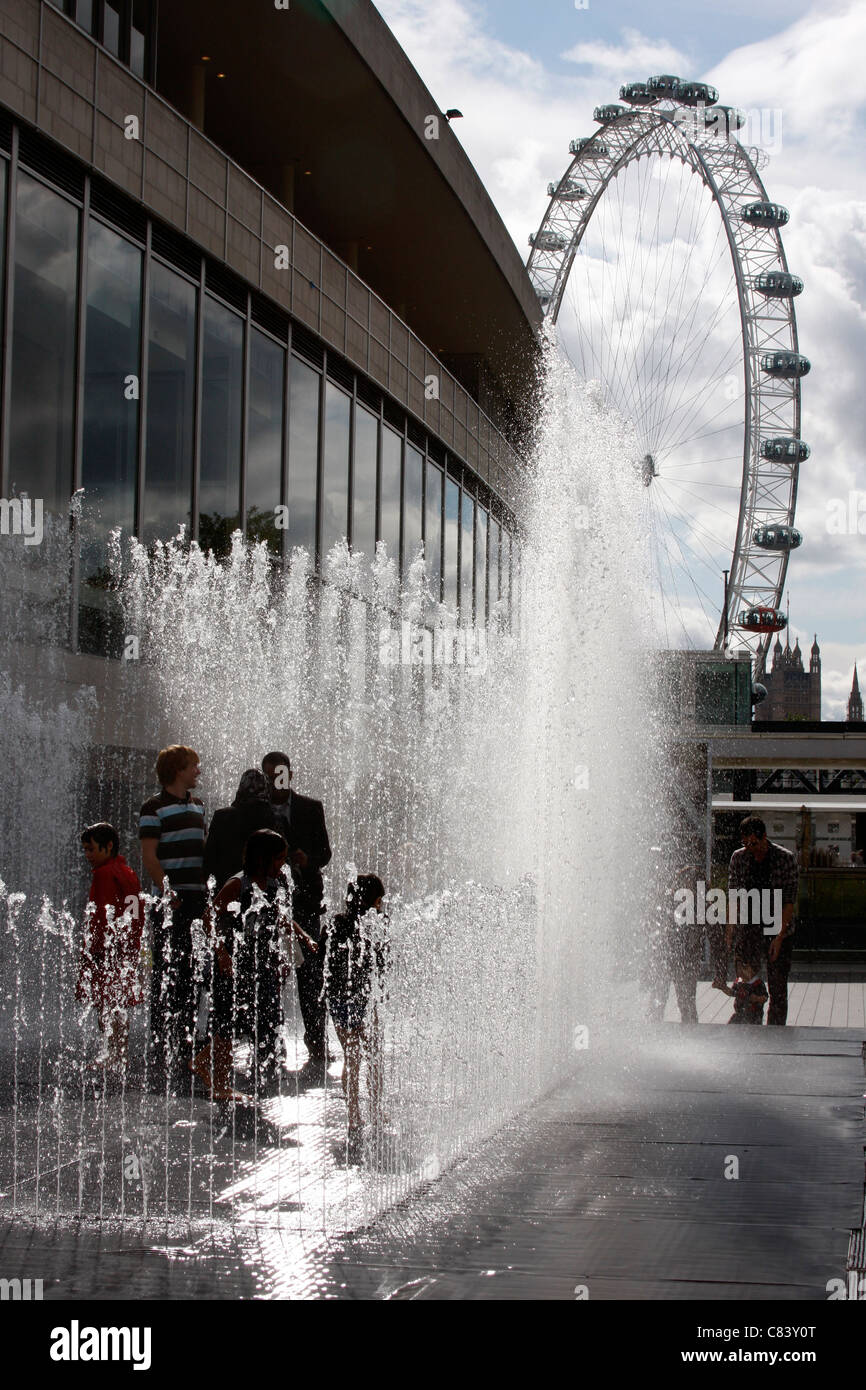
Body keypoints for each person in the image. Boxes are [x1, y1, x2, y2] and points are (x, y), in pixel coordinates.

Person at [192, 829, 316, 1100]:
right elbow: (207, 918)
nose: (283, 864)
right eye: (278, 858)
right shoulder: (239, 885)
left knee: (243, 1020)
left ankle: (205, 1061)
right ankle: (220, 1084)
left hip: (256, 965)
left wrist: (304, 937)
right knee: (226, 1020)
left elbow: (282, 917)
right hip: (230, 964)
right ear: (262, 858)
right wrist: (222, 954)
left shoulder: (273, 884)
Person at [139, 744, 207, 1092]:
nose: (199, 770)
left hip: (197, 899)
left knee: (193, 971)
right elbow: (149, 856)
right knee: (167, 970)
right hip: (171, 901)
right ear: (177, 769)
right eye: (194, 765)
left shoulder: (197, 805)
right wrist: (166, 891)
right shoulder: (153, 808)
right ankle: (160, 1038)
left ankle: (184, 1037)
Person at [261, 752, 332, 1081]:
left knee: (311, 973)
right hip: (269, 901)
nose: (276, 780)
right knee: (270, 973)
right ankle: (269, 1044)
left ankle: (316, 1040)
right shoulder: (256, 810)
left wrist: (307, 860)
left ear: (289, 774)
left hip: (305, 899)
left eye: (281, 774)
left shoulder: (309, 807)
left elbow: (325, 853)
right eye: (270, 775)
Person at [323, 874, 388, 1162]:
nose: (383, 906)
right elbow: (380, 964)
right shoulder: (374, 925)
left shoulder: (336, 923)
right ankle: (375, 1110)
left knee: (351, 1057)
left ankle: (354, 1116)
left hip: (338, 1000)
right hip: (362, 997)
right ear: (373, 901)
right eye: (380, 900)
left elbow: (325, 962)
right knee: (372, 1054)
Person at [76, 823, 144, 1071]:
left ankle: (112, 1054)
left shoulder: (104, 874)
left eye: (92, 849)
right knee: (117, 1004)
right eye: (85, 850)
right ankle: (119, 1053)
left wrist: (94, 950)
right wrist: (131, 943)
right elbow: (135, 912)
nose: (88, 855)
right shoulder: (127, 872)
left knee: (106, 1004)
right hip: (123, 948)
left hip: (105, 950)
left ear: (108, 846)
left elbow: (100, 918)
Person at [726, 815, 798, 1025]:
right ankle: (751, 1025)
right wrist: (730, 930)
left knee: (777, 988)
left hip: (777, 926)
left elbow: (789, 902)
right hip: (750, 928)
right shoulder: (738, 858)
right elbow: (734, 897)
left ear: (764, 837)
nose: (750, 848)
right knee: (747, 984)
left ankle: (776, 1032)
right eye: (745, 843)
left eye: (754, 843)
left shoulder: (785, 858)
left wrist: (779, 937)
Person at [203, 770, 276, 892]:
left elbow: (209, 859)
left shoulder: (222, 816)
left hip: (227, 887)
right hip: (262, 891)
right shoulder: (273, 818)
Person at [714, 952, 769, 1025]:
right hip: (739, 1014)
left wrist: (757, 998)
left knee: (753, 1031)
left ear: (753, 969)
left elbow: (764, 997)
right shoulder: (739, 981)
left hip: (754, 1016)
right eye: (738, 968)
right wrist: (722, 987)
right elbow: (732, 992)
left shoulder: (757, 983)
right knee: (730, 1028)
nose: (740, 971)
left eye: (744, 968)